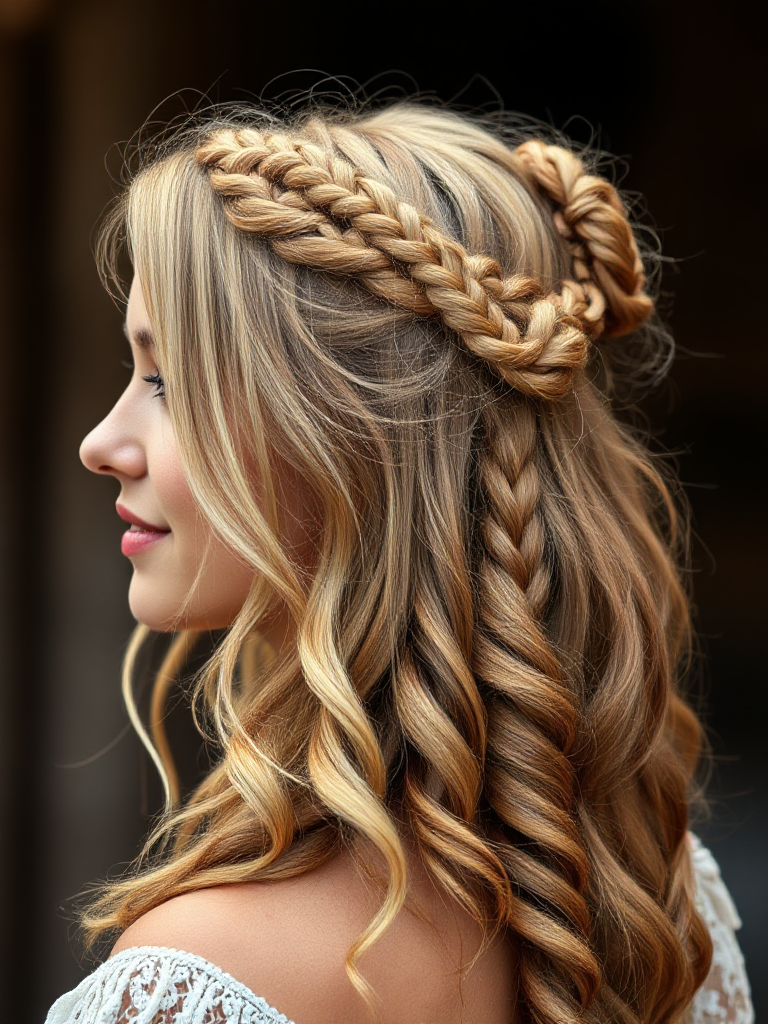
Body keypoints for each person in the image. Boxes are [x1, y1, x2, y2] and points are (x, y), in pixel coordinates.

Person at [45, 99, 753, 1024]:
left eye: (168, 379)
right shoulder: (659, 901)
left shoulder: (199, 978)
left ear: (349, 440)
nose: (102, 443)